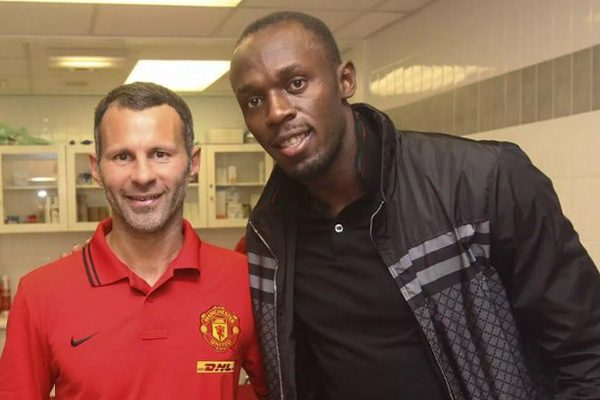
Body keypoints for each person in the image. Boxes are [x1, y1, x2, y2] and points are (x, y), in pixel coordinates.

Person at [229, 11, 600, 400]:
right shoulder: (268, 235)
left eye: (296, 83)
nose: (276, 112)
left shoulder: (483, 183)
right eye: (254, 100)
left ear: (345, 80)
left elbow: (588, 355)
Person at [0, 82, 267, 400]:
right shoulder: (40, 294)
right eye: (123, 156)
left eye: (160, 154)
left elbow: (283, 389)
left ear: (193, 163)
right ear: (96, 168)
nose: (142, 176)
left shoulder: (244, 279)